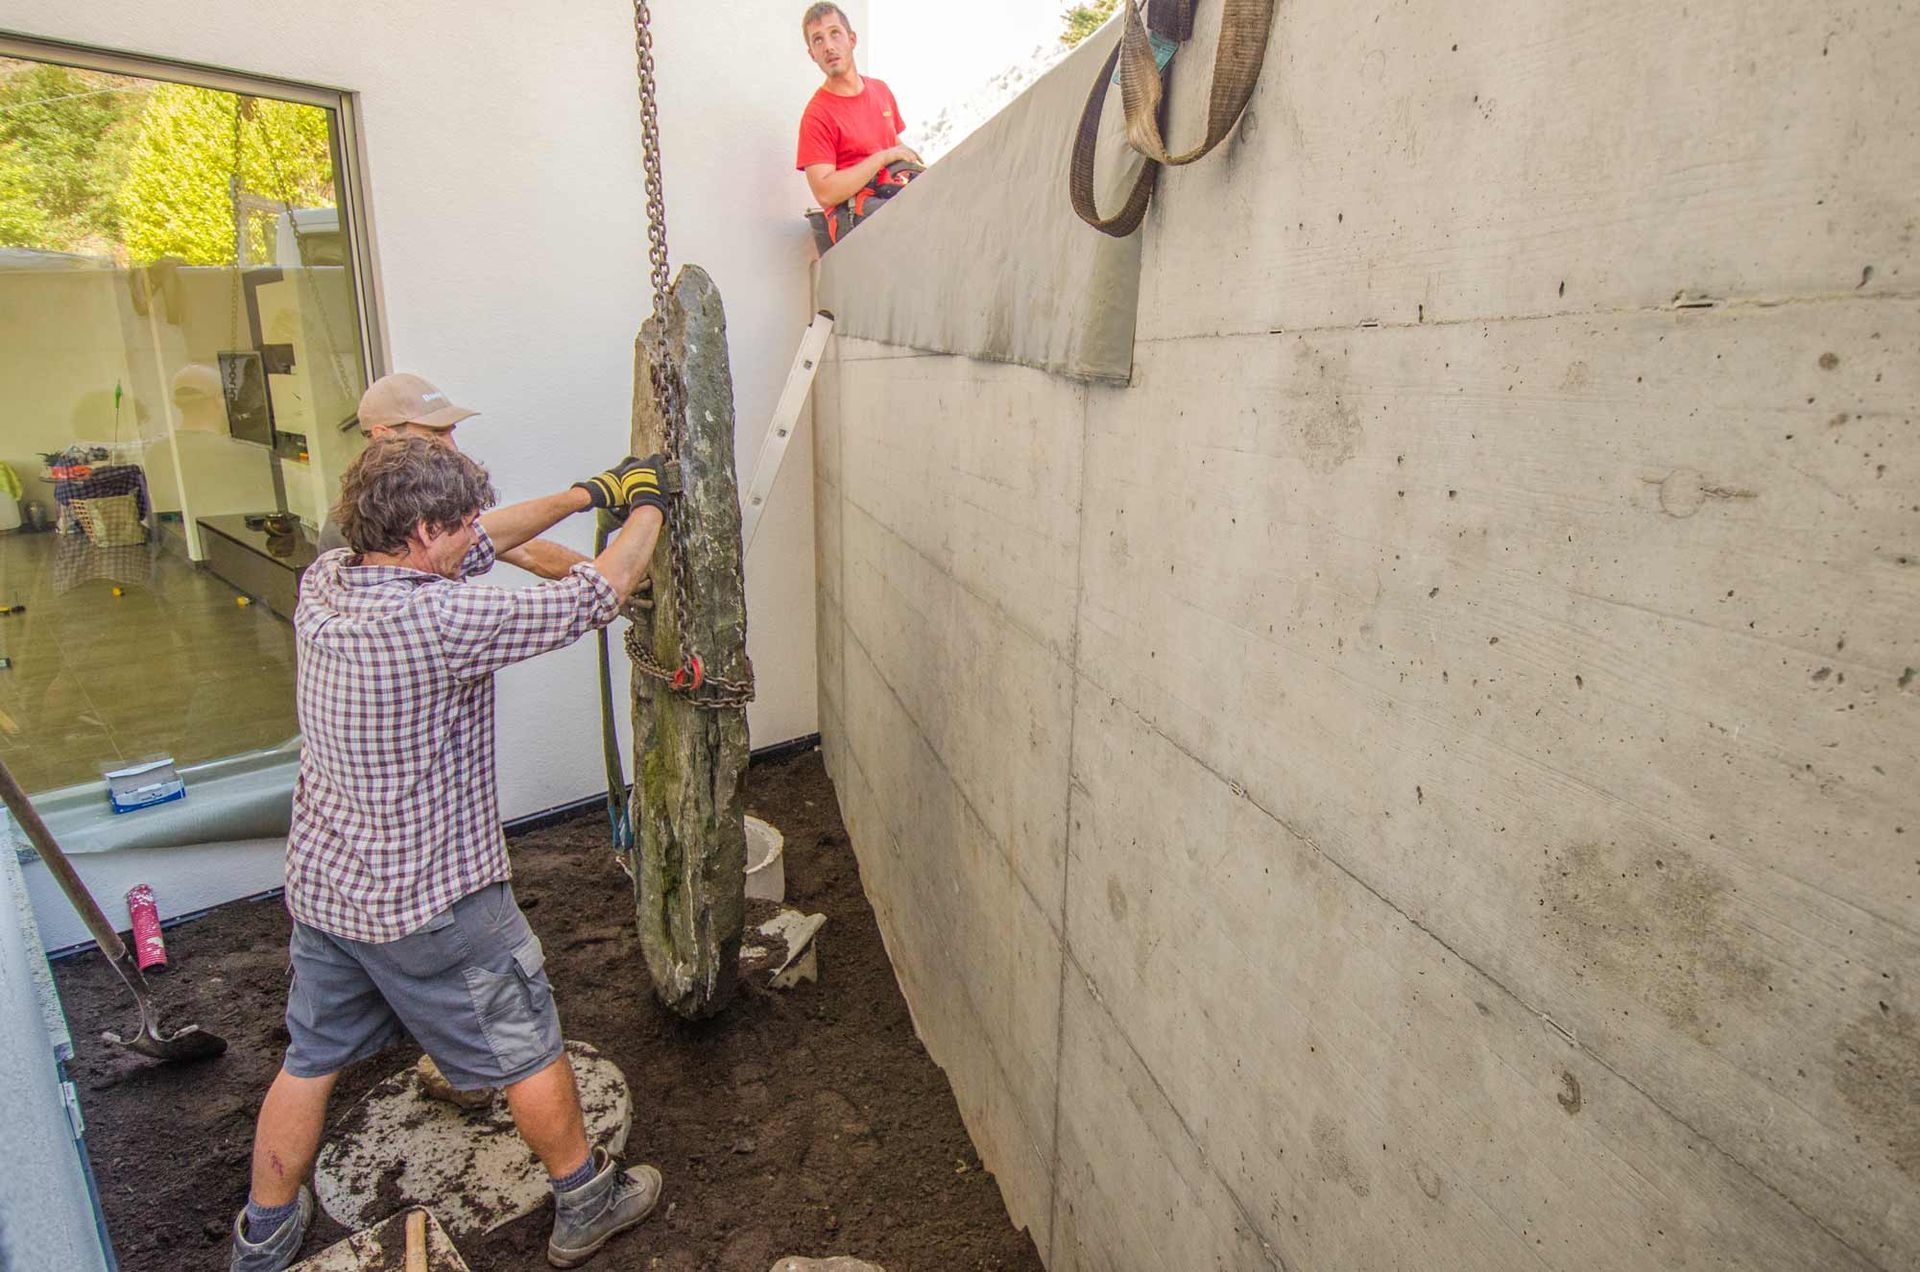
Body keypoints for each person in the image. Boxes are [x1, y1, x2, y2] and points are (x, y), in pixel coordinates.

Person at [229, 436, 671, 1272]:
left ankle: (265, 1233)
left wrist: (585, 493)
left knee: (309, 1059)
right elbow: (601, 591)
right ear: (425, 533)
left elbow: (488, 539)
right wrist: (650, 503)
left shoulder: (326, 582)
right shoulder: (438, 621)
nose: (479, 533)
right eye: (463, 523)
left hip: (329, 891)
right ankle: (587, 1198)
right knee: (526, 1046)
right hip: (436, 904)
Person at [317, 372, 588, 581]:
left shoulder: (428, 504)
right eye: (435, 434)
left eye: (450, 432)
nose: (451, 446)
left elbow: (528, 551)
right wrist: (584, 496)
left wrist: (621, 581)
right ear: (383, 435)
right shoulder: (361, 526)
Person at [796, 2, 921, 244]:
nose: (829, 46)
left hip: (890, 196)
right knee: (912, 222)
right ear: (812, 54)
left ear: (852, 39)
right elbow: (825, 192)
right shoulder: (817, 115)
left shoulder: (880, 91)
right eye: (818, 40)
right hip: (852, 216)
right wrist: (882, 158)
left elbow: (894, 144)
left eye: (835, 33)